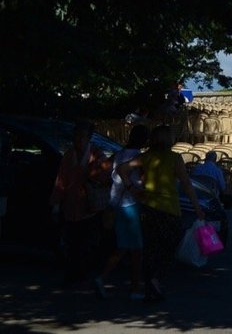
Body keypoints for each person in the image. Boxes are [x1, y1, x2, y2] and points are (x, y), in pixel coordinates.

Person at [139, 124, 202, 302]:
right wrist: (197, 208)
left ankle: (150, 283)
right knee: (168, 247)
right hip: (169, 208)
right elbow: (187, 184)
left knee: (150, 247)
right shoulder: (174, 158)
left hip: (148, 207)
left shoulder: (146, 157)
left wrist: (132, 187)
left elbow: (123, 168)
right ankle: (156, 280)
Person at [49, 122, 110, 289]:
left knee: (85, 243)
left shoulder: (96, 155)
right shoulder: (69, 155)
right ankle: (73, 274)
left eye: (82, 136)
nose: (78, 140)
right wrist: (56, 204)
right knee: (72, 243)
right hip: (71, 205)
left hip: (89, 206)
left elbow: (105, 176)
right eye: (76, 136)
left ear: (88, 138)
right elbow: (61, 181)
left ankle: (81, 273)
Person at [96, 124, 149, 299]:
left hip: (116, 203)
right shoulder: (139, 158)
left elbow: (104, 170)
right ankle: (133, 288)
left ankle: (104, 278)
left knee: (125, 247)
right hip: (131, 204)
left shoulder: (118, 154)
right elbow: (144, 180)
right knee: (135, 250)